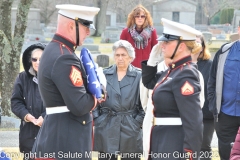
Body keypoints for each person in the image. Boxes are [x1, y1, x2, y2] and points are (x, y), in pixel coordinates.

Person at [31, 4, 101, 160]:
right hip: (66, 143)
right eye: (85, 26)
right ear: (71, 26)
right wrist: (99, 92)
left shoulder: (55, 50)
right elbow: (80, 105)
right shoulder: (64, 57)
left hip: (58, 138)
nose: (89, 31)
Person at [142, 18, 203, 160]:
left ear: (181, 46)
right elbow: (149, 82)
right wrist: (151, 60)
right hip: (162, 139)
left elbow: (193, 120)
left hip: (174, 144)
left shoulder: (185, 74)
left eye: (167, 42)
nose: (162, 45)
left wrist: (190, 154)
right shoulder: (172, 70)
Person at [93, 40, 145, 160]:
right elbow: (96, 99)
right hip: (106, 125)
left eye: (123, 55)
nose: (120, 58)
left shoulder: (139, 76)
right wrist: (98, 119)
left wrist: (136, 123)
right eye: (117, 55)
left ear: (130, 57)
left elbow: (145, 104)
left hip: (130, 127)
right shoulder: (104, 74)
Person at [207, 22, 240, 160]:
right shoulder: (225, 51)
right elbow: (212, 80)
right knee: (226, 154)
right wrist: (214, 105)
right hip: (226, 114)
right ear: (239, 29)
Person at [11, 43, 46, 160]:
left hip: (49, 134)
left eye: (41, 59)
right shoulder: (22, 78)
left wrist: (45, 117)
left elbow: (60, 102)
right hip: (28, 135)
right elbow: (16, 102)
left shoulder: (54, 78)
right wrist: (27, 116)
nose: (37, 62)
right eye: (34, 59)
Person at [192, 35, 214, 160]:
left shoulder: (210, 65)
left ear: (203, 47)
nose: (195, 46)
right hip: (187, 115)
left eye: (198, 43)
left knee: (204, 147)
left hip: (206, 114)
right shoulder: (182, 65)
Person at [120, 4, 158, 68]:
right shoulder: (126, 32)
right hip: (130, 67)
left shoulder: (152, 31)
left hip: (147, 67)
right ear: (133, 18)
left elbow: (155, 50)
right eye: (137, 16)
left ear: (146, 18)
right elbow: (121, 50)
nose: (140, 18)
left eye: (142, 16)